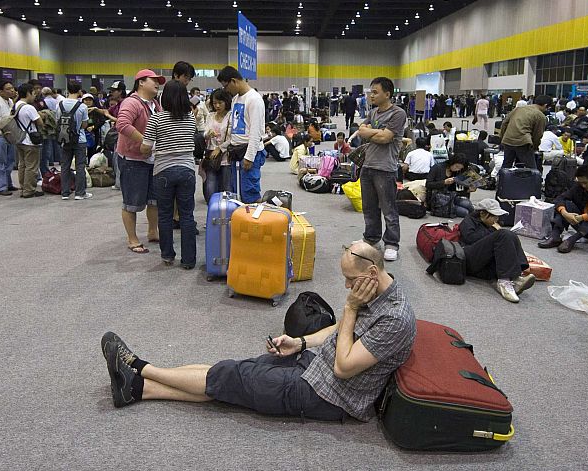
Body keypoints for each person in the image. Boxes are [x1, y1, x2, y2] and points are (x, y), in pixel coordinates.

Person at [99, 241, 416, 421]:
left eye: (350, 279)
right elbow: (340, 332)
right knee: (235, 372)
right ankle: (138, 389)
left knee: (230, 376)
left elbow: (345, 368)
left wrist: (349, 308)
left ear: (372, 272)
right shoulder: (373, 292)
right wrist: (301, 342)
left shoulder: (395, 319)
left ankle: (138, 367)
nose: (347, 286)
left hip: (330, 394)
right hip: (314, 364)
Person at [140, 80, 198, 268]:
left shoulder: (156, 119)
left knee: (164, 214)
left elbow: (145, 148)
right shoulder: (190, 118)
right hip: (187, 170)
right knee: (187, 215)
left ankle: (167, 255)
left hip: (163, 170)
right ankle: (189, 260)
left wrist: (146, 148)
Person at [356, 77, 408, 262]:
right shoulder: (373, 113)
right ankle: (371, 238)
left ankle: (392, 243)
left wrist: (370, 133)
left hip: (385, 169)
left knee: (389, 209)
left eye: (375, 92)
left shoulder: (398, 114)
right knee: (369, 208)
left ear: (388, 94)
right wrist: (374, 134)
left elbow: (386, 138)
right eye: (371, 91)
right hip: (368, 166)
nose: (371, 95)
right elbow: (361, 131)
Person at [117, 70, 165, 253]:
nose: (157, 83)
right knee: (132, 201)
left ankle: (153, 231)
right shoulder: (131, 102)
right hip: (132, 159)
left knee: (154, 199)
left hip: (152, 159)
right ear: (141, 82)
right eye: (153, 80)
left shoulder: (155, 104)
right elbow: (122, 125)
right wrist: (145, 141)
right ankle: (132, 238)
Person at [458, 199, 537, 303]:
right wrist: (494, 232)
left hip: (483, 261)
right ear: (482, 213)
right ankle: (504, 281)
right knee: (503, 234)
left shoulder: (489, 225)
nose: (496, 219)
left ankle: (515, 277)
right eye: (494, 216)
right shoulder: (468, 221)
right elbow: (471, 239)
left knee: (510, 234)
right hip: (469, 258)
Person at [538, 165, 588, 253]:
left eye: (585, 183)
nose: (583, 186)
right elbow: (560, 198)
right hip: (584, 226)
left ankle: (572, 240)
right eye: (581, 183)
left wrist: (582, 217)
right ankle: (555, 236)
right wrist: (565, 213)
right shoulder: (580, 187)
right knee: (565, 204)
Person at [216, 66, 266, 204]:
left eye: (226, 86)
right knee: (235, 192)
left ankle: (254, 222)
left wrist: (249, 157)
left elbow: (256, 132)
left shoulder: (254, 99)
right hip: (236, 151)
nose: (226, 91)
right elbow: (235, 127)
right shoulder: (235, 99)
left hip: (250, 152)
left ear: (233, 81)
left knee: (250, 192)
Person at [57, 82, 92, 201]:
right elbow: (84, 124)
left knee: (65, 165)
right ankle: (80, 193)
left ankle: (65, 192)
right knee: (80, 166)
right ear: (79, 91)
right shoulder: (82, 106)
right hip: (79, 139)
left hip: (64, 138)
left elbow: (58, 120)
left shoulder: (60, 104)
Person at [499, 95, 550, 171]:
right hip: (523, 142)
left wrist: (503, 138)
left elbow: (504, 123)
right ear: (545, 105)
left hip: (508, 140)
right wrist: (534, 147)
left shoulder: (518, 109)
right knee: (532, 168)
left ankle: (502, 181)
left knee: (506, 165)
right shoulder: (540, 116)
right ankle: (533, 182)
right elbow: (538, 135)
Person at [200, 89, 232, 203]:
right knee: (210, 188)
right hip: (211, 156)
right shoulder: (210, 116)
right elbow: (204, 133)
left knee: (227, 188)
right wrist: (208, 134)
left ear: (226, 102)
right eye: (214, 103)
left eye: (220, 102)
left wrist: (220, 148)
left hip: (226, 157)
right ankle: (213, 212)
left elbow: (233, 137)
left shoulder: (231, 116)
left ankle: (227, 215)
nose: (217, 105)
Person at [13, 83, 45, 199]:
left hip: (19, 139)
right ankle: (29, 190)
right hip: (30, 141)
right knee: (32, 167)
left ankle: (23, 188)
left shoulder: (15, 106)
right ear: (28, 93)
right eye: (33, 93)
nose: (34, 96)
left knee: (22, 165)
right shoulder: (29, 107)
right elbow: (40, 122)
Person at [425, 153, 478, 218]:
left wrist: (468, 190)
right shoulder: (437, 167)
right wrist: (444, 182)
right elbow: (428, 184)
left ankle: (479, 218)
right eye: (456, 166)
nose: (457, 169)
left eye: (460, 168)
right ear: (452, 162)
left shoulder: (456, 172)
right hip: (438, 199)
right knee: (465, 212)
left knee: (468, 204)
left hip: (451, 197)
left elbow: (456, 191)